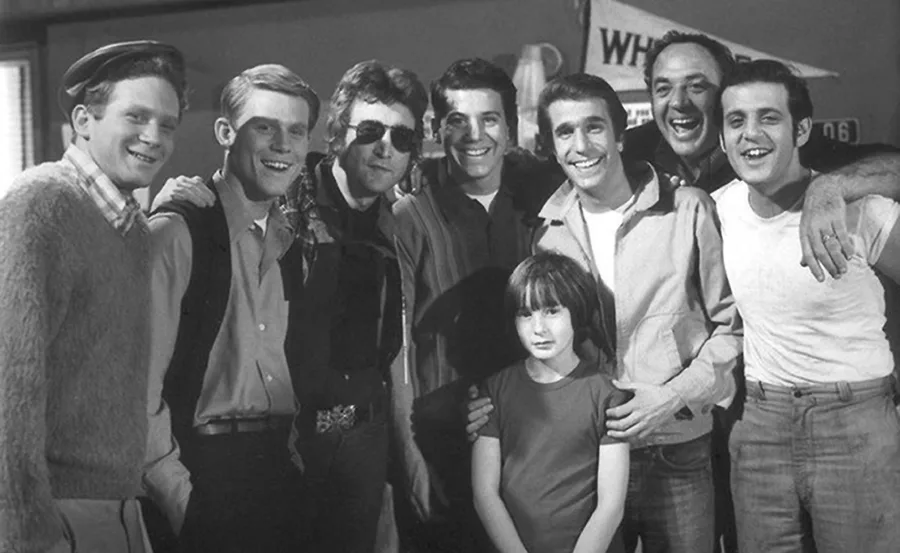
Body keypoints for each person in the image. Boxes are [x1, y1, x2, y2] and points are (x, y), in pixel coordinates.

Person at [470, 72, 742, 553]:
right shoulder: (546, 233)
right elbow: (543, 344)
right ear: (552, 147)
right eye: (565, 132)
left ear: (619, 135)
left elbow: (732, 329)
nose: (581, 145)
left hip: (675, 446)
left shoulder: (688, 210)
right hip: (581, 456)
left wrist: (672, 395)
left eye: (594, 127)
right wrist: (495, 403)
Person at [0, 40, 187, 553]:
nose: (154, 137)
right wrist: (26, 531)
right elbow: (7, 385)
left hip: (117, 507)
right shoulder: (41, 204)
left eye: (167, 124)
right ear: (83, 120)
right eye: (137, 117)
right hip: (54, 514)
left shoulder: (131, 227)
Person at [713, 59, 900, 553]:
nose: (751, 133)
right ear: (723, 139)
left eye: (769, 117)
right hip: (760, 426)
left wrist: (832, 185)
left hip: (856, 424)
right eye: (736, 120)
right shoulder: (719, 210)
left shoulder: (857, 209)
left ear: (801, 130)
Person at [142, 63, 319, 553]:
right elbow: (137, 391)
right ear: (225, 132)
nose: (283, 145)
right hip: (201, 473)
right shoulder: (176, 232)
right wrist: (181, 501)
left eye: (296, 131)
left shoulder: (289, 241)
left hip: (277, 473)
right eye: (264, 127)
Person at [390, 57, 559, 552]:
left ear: (510, 127)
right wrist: (411, 459)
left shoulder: (545, 206)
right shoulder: (409, 217)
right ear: (436, 130)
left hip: (537, 445)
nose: (474, 135)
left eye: (489, 119)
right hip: (444, 450)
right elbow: (396, 352)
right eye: (457, 120)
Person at [285, 59, 427, 553]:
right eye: (369, 131)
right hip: (286, 439)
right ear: (337, 134)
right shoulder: (286, 203)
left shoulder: (400, 224)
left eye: (402, 138)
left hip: (363, 440)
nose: (386, 148)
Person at [473, 252, 630, 553]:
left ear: (576, 312)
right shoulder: (496, 390)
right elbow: (484, 493)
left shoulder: (606, 394)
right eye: (525, 314)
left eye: (552, 311)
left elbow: (611, 506)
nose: (539, 328)